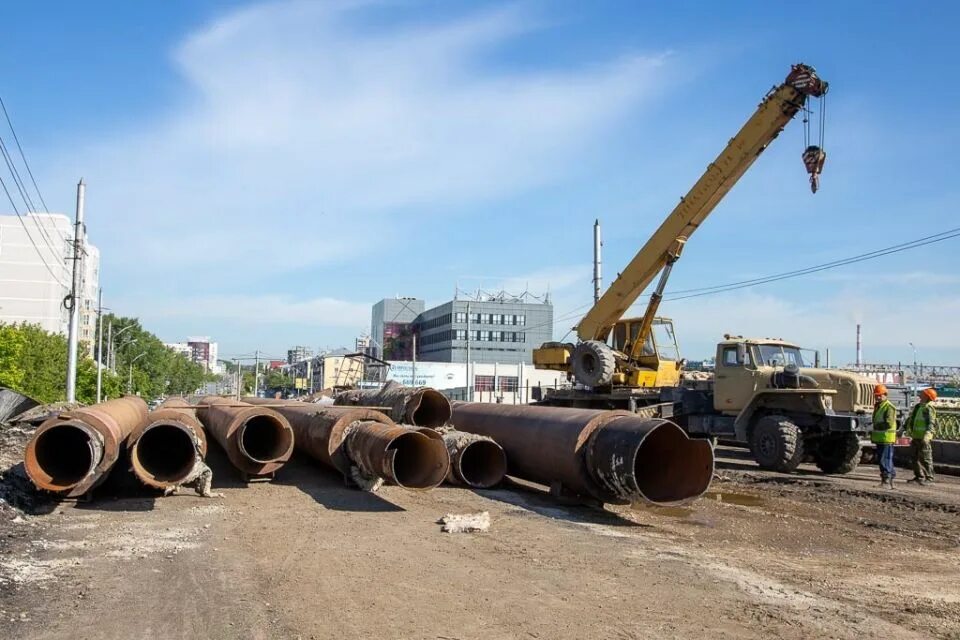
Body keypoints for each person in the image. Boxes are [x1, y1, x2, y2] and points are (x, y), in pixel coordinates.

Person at [905, 388, 938, 485]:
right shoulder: (918, 407)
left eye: (922, 395)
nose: (920, 396)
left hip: (924, 438)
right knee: (914, 458)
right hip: (916, 437)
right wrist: (905, 430)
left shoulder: (929, 408)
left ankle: (930, 478)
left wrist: (927, 435)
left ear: (927, 397)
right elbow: (911, 419)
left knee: (926, 458)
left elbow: (931, 423)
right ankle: (919, 476)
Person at [871, 384, 897, 488]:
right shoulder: (879, 406)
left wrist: (876, 426)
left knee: (884, 460)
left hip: (886, 438)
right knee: (885, 459)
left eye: (880, 395)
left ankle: (886, 481)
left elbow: (889, 423)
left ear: (885, 395)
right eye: (876, 395)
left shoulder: (888, 407)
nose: (877, 397)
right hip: (881, 438)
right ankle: (889, 480)